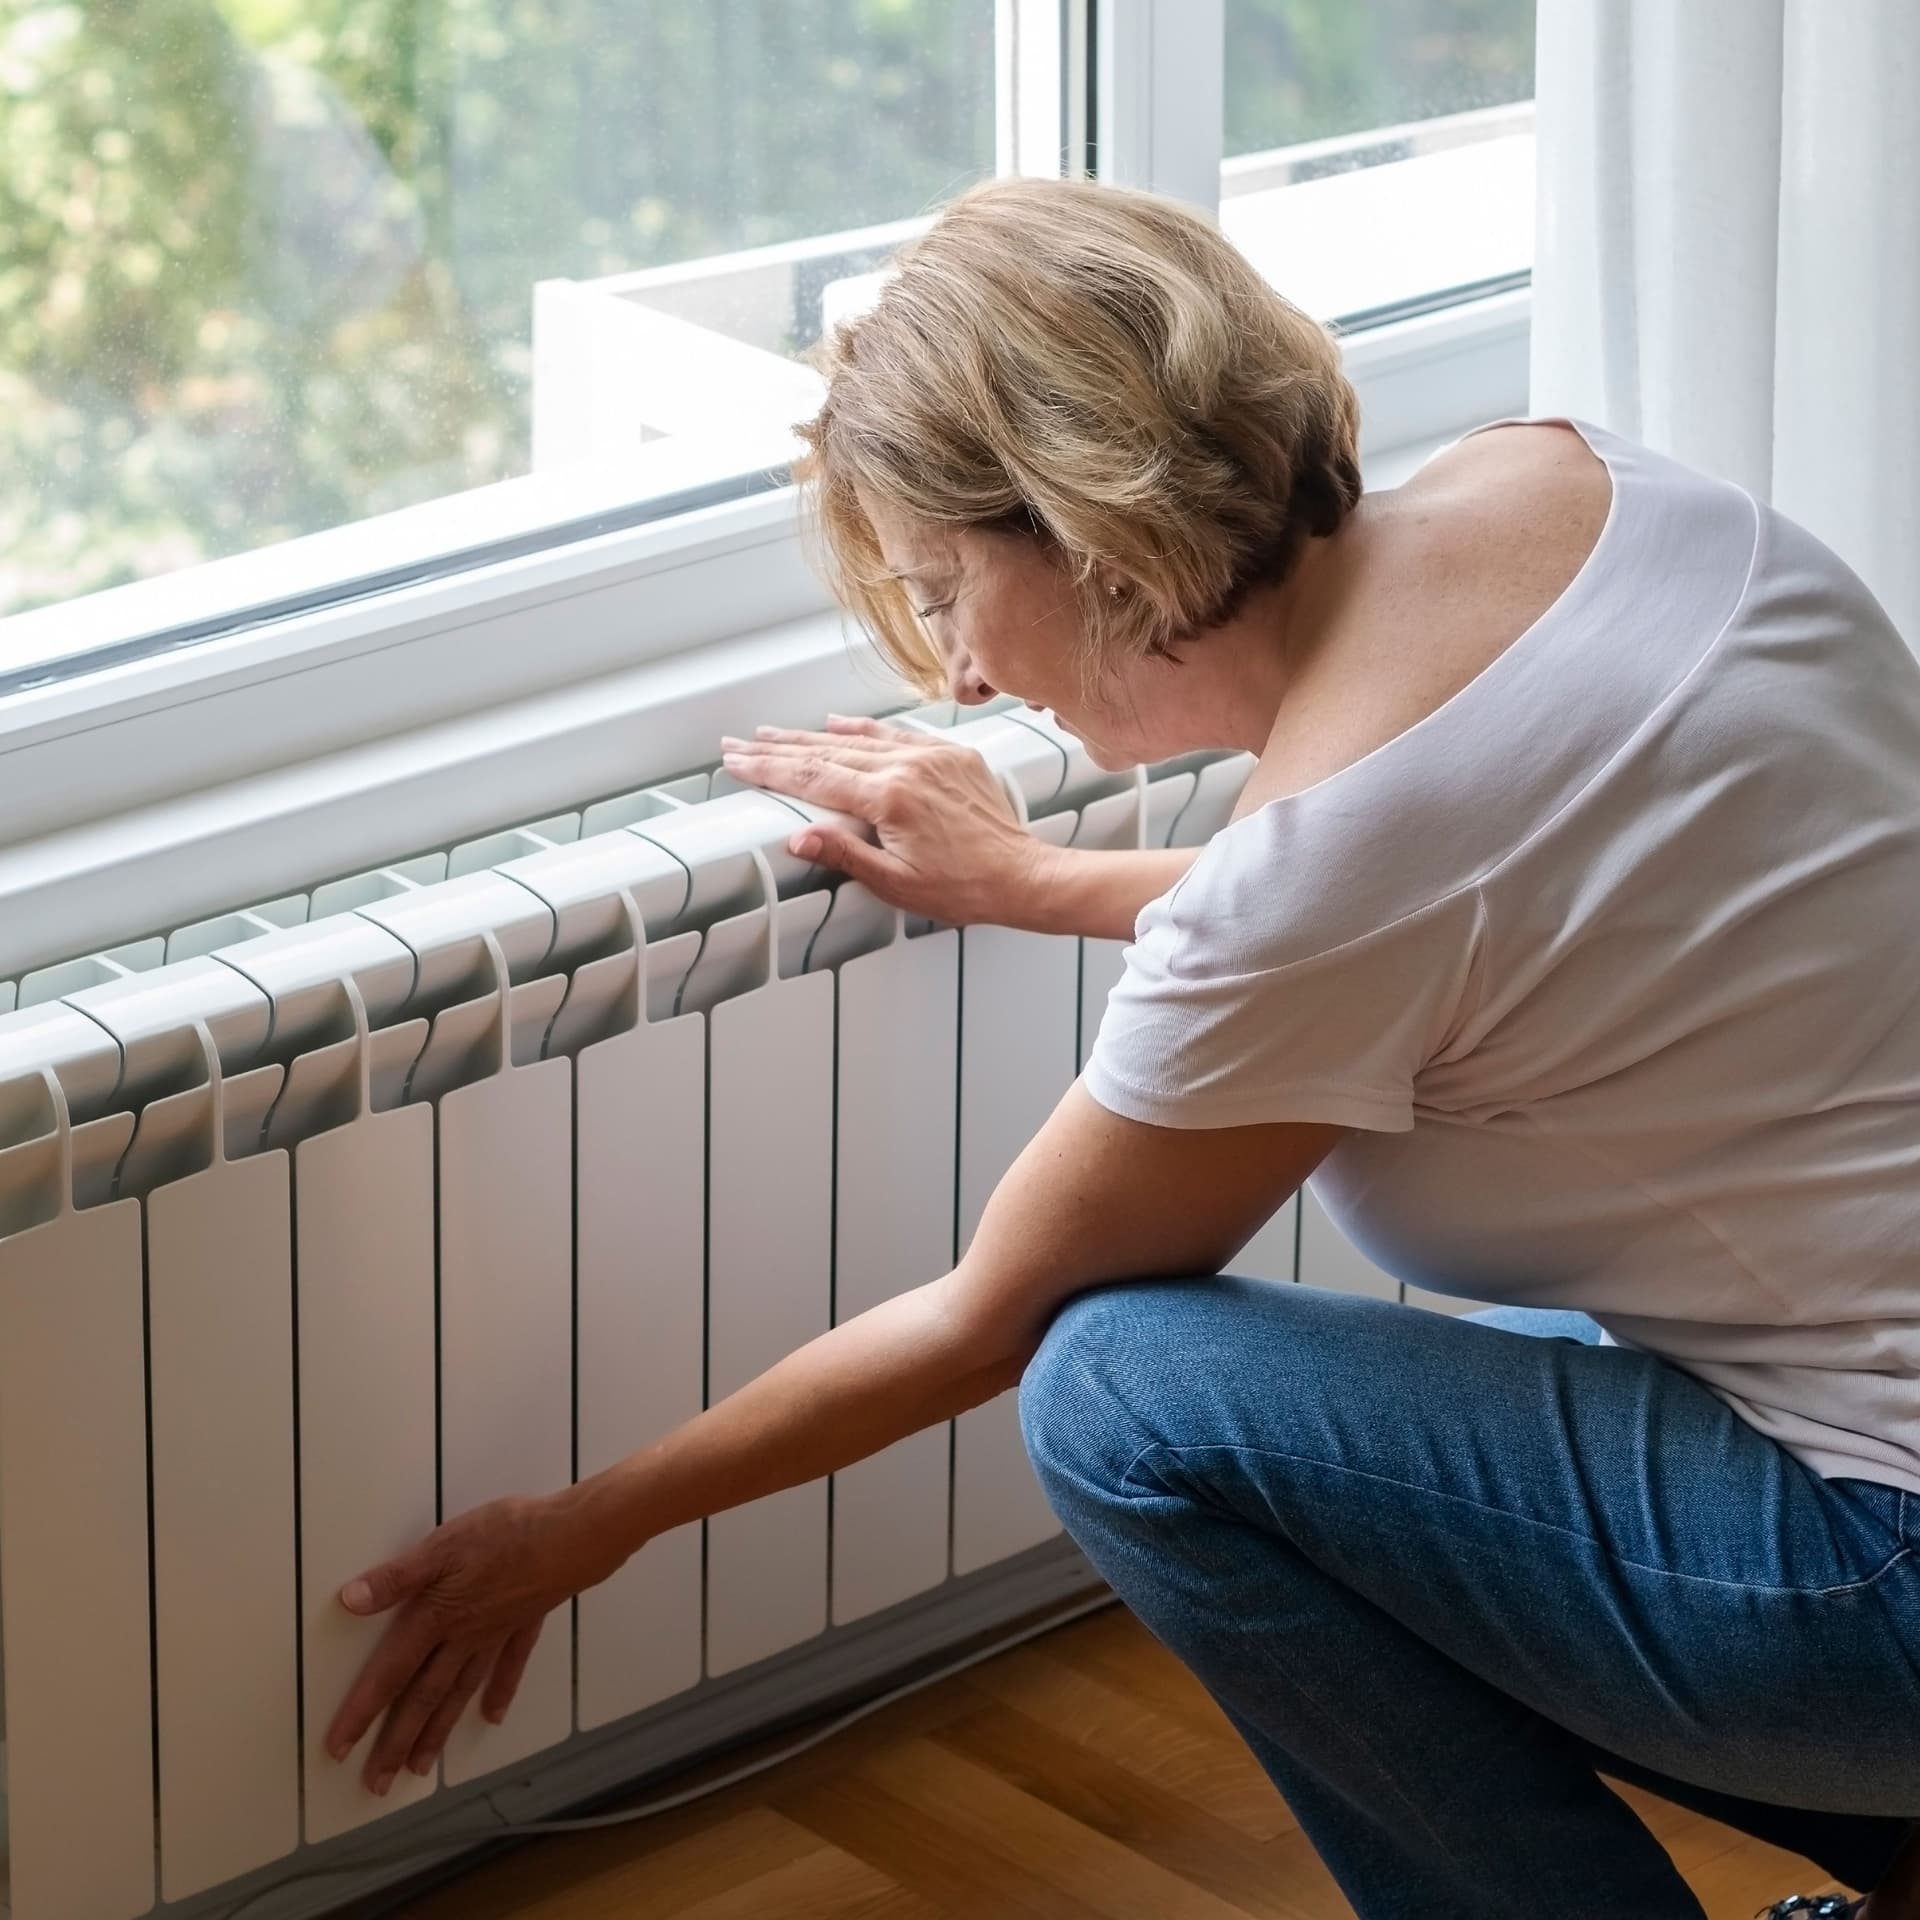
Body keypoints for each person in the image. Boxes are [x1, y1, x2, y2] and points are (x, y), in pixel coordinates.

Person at [322, 176, 1920, 1920]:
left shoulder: (1325, 883)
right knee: (1479, 1383)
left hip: (1892, 1584)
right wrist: (1040, 879)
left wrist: (580, 1528)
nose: (961, 679)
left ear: (1088, 527)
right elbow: (1498, 880)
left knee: (1125, 1396)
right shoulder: (1586, 486)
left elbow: (984, 1323)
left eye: (945, 590)